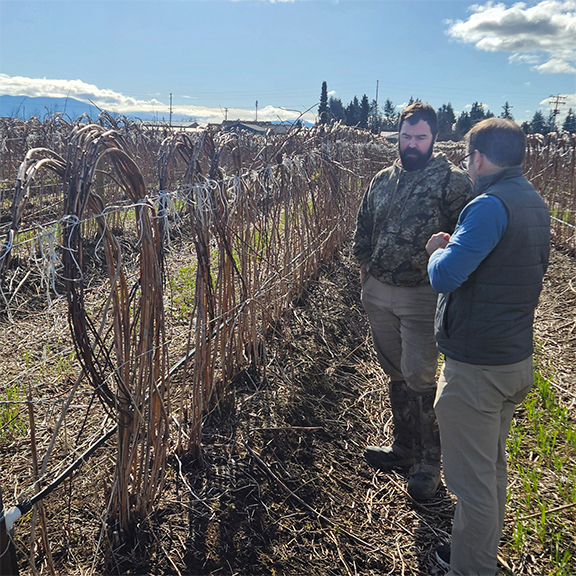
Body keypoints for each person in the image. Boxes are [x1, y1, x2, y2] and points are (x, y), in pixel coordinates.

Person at [426, 118, 550, 575]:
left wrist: (438, 249)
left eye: (467, 156)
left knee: (471, 485)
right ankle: (471, 551)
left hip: (477, 368)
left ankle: (470, 569)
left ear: (478, 158)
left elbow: (445, 275)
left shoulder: (489, 205)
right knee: (490, 472)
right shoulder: (533, 200)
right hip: (511, 359)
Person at [353, 102, 475, 501]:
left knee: (421, 375)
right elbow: (364, 227)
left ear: (434, 138)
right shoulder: (382, 179)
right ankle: (403, 447)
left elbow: (470, 240)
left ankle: (428, 462)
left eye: (420, 137)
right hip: (379, 291)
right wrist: (365, 269)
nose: (412, 144)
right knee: (396, 371)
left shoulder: (453, 183)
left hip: (423, 294)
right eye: (406, 136)